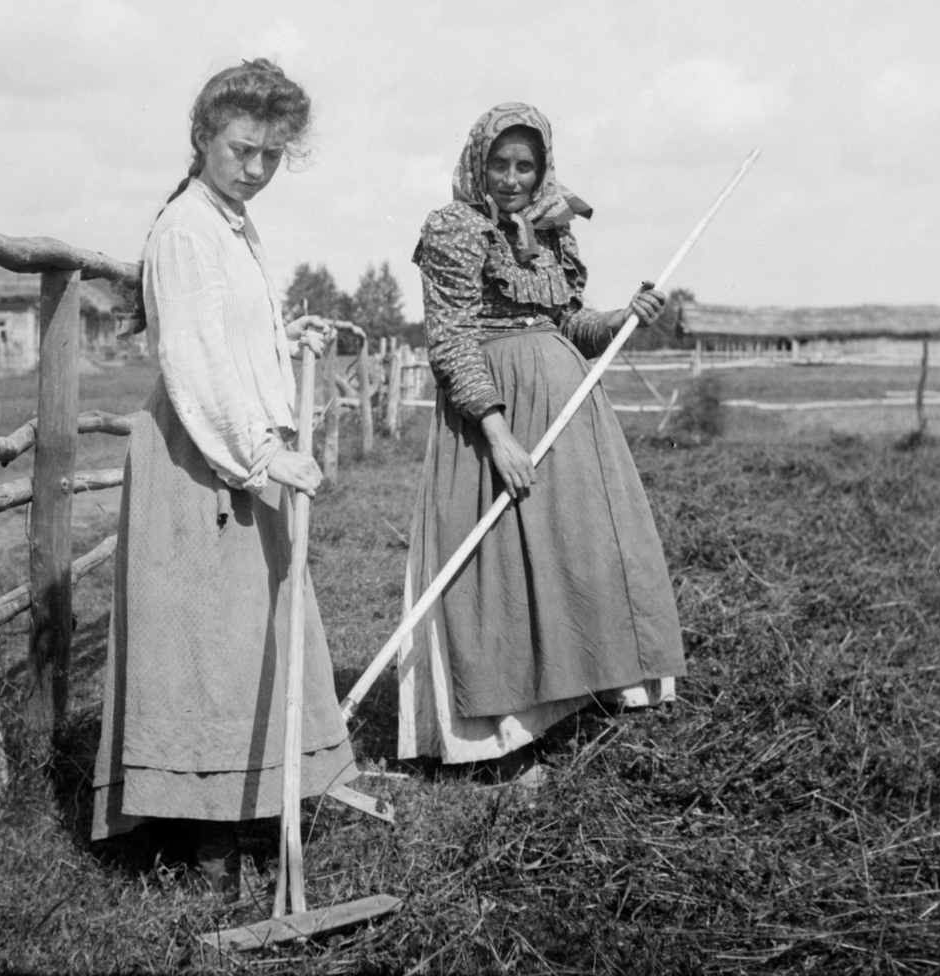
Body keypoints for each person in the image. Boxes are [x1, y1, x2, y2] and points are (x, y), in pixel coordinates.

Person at [92, 59, 356, 898]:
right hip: (202, 460)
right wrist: (259, 456)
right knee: (206, 648)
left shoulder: (232, 223)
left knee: (250, 637)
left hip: (241, 454)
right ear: (203, 136)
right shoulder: (185, 229)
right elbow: (196, 361)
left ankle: (250, 818)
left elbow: (235, 338)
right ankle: (207, 848)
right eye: (243, 149)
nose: (255, 168)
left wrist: (286, 341)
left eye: (272, 156)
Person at [397, 102, 687, 777]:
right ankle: (499, 734)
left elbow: (570, 325)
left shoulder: (553, 232)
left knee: (581, 553)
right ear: (478, 162)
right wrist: (494, 432)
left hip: (569, 414)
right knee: (496, 570)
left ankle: (587, 696)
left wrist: (624, 317)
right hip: (493, 417)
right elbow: (451, 339)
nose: (511, 177)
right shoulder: (455, 230)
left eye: (525, 165)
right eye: (499, 163)